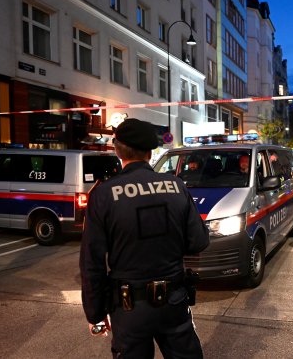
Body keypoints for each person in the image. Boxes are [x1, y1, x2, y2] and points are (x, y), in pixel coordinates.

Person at [80, 118, 210, 358]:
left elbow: (92, 262)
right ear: (150, 153)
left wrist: (95, 313)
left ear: (117, 150)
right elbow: (198, 241)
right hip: (173, 301)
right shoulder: (176, 186)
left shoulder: (103, 194)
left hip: (128, 308)